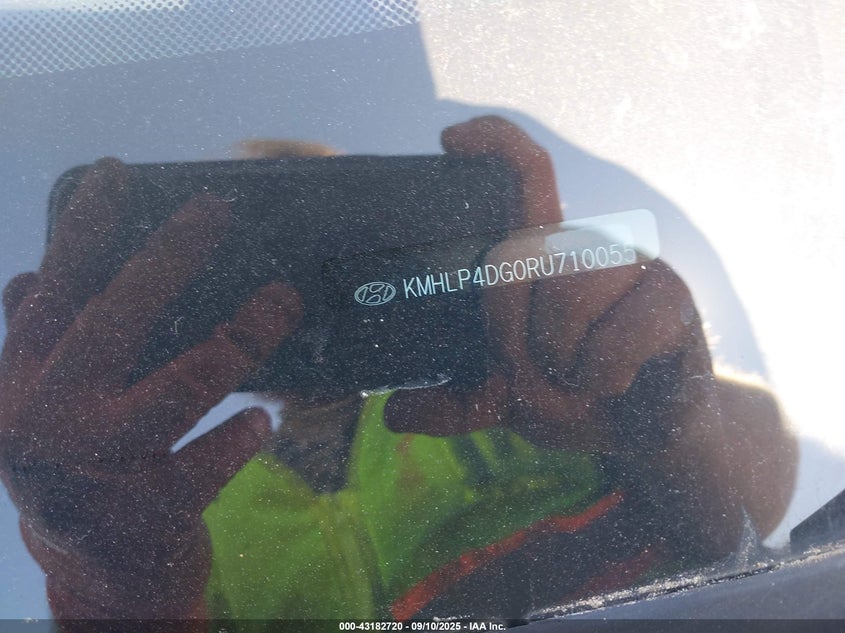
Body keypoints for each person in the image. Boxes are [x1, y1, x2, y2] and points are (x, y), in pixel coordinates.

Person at [0, 117, 796, 621]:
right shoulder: (186, 505)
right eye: (248, 264)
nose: (294, 288)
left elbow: (756, 487)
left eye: (331, 236)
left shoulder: (532, 393)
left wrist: (670, 414)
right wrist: (114, 580)